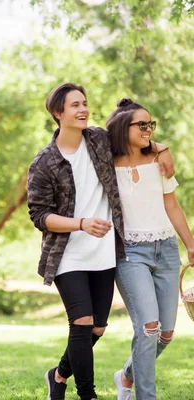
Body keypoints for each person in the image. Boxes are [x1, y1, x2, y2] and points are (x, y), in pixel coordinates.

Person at [27, 83, 174, 400]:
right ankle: (88, 395)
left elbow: (134, 136)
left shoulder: (97, 139)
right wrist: (80, 223)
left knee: (97, 328)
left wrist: (162, 148)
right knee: (81, 323)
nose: (83, 109)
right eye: (74, 105)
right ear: (57, 113)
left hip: (105, 252)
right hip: (68, 253)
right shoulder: (44, 162)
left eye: (84, 103)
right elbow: (39, 215)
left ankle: (58, 375)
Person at [107, 99, 194, 400]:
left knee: (166, 333)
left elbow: (172, 204)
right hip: (130, 253)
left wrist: (191, 245)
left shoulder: (160, 160)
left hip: (167, 250)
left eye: (150, 125)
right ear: (123, 128)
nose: (148, 129)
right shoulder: (104, 164)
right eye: (141, 125)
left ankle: (126, 375)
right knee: (148, 327)